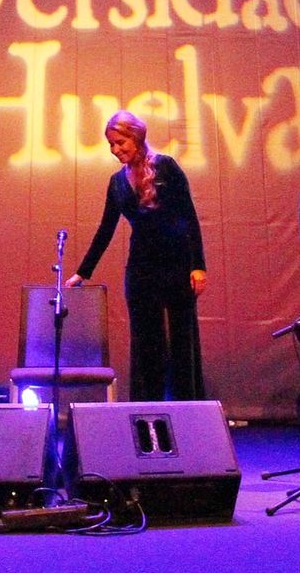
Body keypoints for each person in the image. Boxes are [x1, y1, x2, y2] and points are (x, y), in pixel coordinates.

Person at [67, 110, 208, 401]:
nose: (115, 150)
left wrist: (198, 266)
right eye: (111, 145)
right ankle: (147, 412)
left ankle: (188, 409)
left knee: (182, 341)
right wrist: (83, 272)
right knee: (147, 345)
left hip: (177, 265)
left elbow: (188, 216)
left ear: (136, 137)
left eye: (120, 143)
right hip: (141, 270)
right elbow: (105, 230)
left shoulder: (166, 167)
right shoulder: (117, 182)